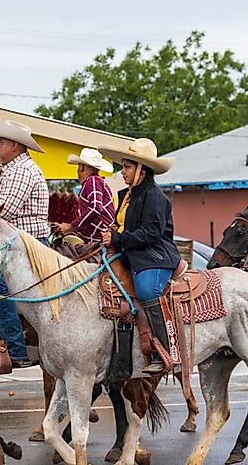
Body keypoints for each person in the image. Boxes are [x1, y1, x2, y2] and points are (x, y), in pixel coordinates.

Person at [98, 138, 181, 375]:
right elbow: (123, 226)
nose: (122, 172)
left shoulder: (154, 196)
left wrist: (117, 240)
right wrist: (111, 235)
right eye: (122, 166)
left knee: (147, 291)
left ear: (141, 170)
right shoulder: (127, 195)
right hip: (131, 254)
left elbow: (152, 233)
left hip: (154, 257)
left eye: (127, 167)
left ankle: (166, 351)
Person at [0, 120, 50, 369]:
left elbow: (1, 212)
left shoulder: (22, 171)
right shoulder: (10, 170)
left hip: (28, 246)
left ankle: (16, 350)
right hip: (16, 244)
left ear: (14, 145)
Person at [57, 148, 116, 243]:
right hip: (98, 237)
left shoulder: (92, 181)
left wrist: (72, 226)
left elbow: (96, 208)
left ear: (82, 167)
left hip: (96, 239)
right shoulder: (96, 181)